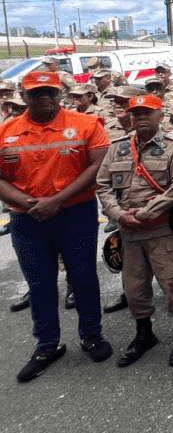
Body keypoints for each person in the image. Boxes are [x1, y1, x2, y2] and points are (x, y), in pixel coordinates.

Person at [0, 71, 113, 382]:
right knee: (40, 284)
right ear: (23, 97)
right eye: (36, 93)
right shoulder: (6, 131)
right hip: (27, 219)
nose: (45, 98)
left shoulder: (86, 124)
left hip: (76, 214)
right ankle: (47, 343)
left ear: (60, 93)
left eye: (50, 91)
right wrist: (29, 204)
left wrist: (58, 200)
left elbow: (98, 165)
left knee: (83, 276)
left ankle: (91, 334)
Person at [95, 94, 173, 368]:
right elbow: (102, 185)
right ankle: (144, 334)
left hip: (162, 230)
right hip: (129, 233)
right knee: (135, 289)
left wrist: (149, 212)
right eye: (135, 113)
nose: (140, 118)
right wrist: (117, 214)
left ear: (160, 116)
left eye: (146, 113)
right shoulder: (117, 148)